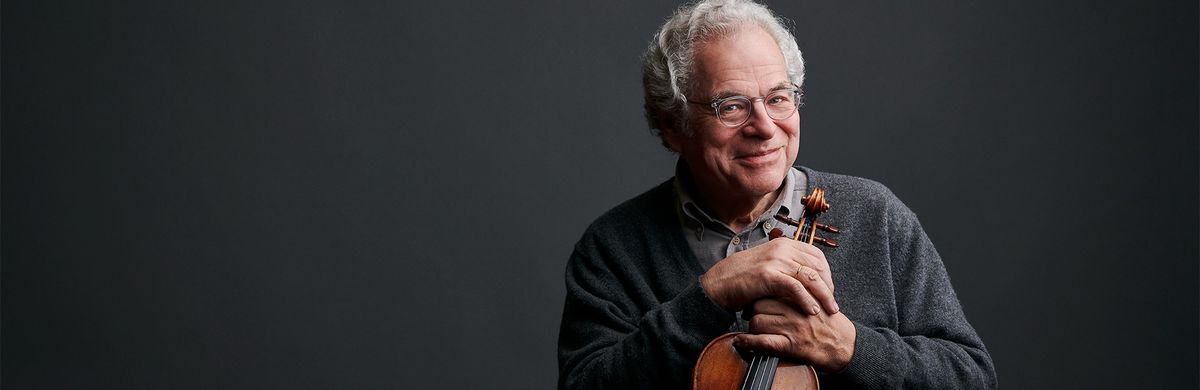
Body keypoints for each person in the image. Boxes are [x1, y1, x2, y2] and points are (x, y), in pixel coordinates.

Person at [556, 0, 996, 388]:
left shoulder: (876, 216)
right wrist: (708, 297)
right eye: (731, 106)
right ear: (673, 126)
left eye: (779, 98)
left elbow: (971, 376)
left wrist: (849, 347)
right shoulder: (612, 247)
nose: (765, 127)